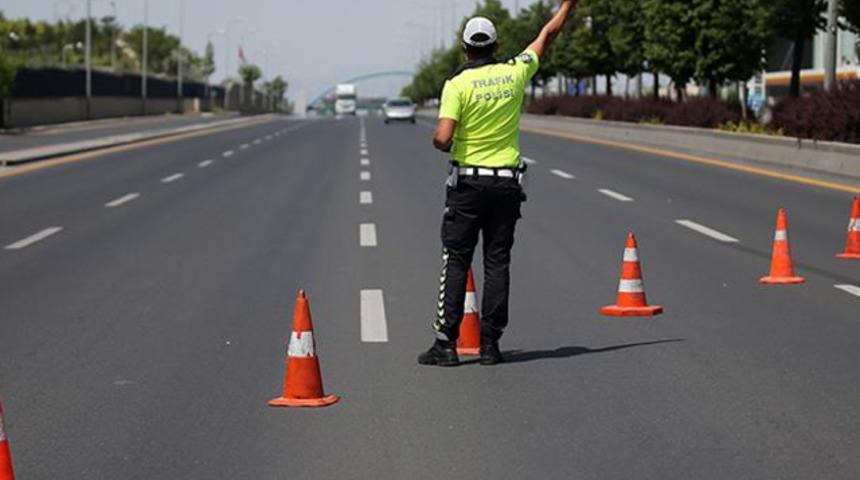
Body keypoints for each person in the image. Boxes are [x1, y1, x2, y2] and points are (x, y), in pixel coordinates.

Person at [418, 0, 579, 367]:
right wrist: (569, 4)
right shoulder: (514, 71)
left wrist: (444, 142)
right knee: (497, 261)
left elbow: (443, 137)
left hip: (468, 186)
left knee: (457, 259)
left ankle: (446, 344)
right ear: (494, 46)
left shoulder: (457, 85)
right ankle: (491, 345)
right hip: (506, 184)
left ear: (464, 47)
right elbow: (547, 34)